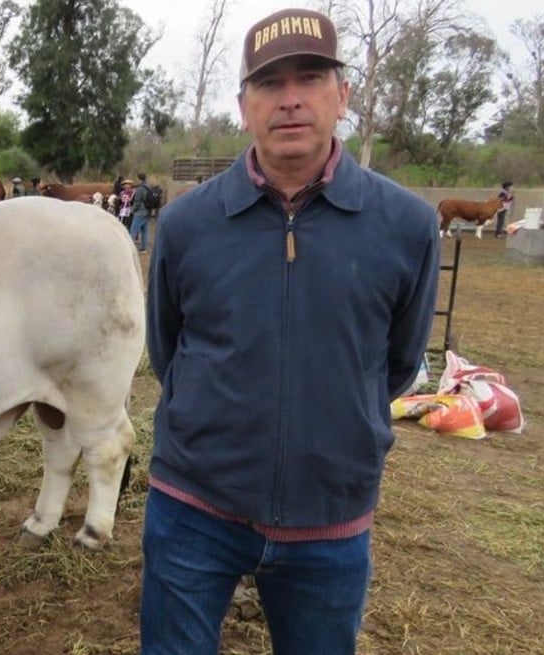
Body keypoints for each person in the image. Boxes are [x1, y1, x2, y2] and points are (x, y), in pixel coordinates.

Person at [142, 8, 440, 655]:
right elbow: (168, 351)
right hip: (192, 507)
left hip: (330, 519)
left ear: (344, 95)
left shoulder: (407, 227)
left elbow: (396, 362)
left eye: (310, 77)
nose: (291, 99)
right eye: (270, 83)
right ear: (244, 105)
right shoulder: (188, 224)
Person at [129, 173, 152, 252]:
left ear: (139, 179)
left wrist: (132, 210)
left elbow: (137, 201)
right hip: (148, 211)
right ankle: (143, 248)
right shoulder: (148, 187)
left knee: (133, 230)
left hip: (140, 212)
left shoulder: (140, 189)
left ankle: (130, 247)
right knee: (145, 231)